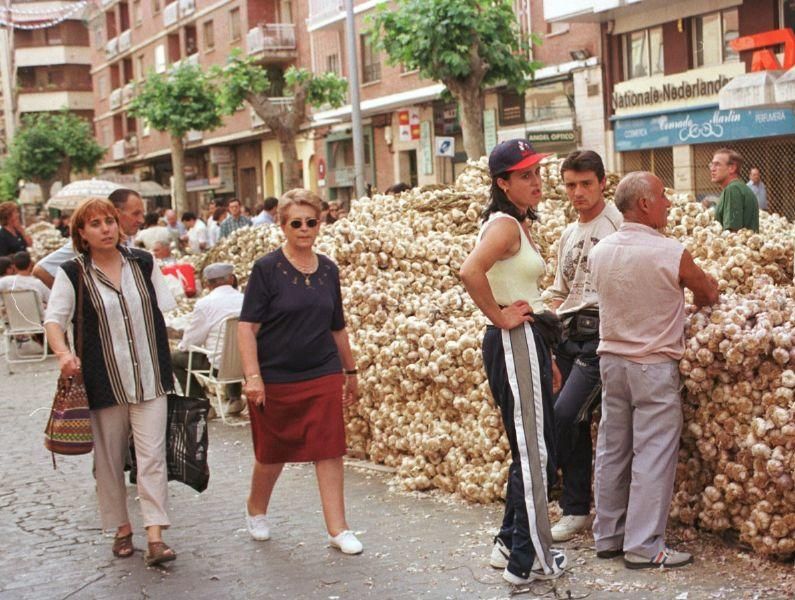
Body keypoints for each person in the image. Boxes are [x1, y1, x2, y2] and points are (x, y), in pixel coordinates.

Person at [588, 171, 719, 569]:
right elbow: (708, 291)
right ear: (644, 203)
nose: (667, 203)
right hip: (653, 367)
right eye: (662, 196)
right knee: (652, 455)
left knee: (612, 450)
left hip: (611, 363)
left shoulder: (601, 250)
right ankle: (644, 546)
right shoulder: (669, 251)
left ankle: (607, 537)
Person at [43, 197, 178, 567]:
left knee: (151, 458)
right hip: (105, 381)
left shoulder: (144, 262)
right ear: (82, 235)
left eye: (109, 221)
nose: (105, 229)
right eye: (95, 224)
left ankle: (155, 535)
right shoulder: (73, 273)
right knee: (110, 459)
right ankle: (121, 528)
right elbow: (54, 320)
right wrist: (63, 353)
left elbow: (162, 312)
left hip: (150, 376)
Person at [459, 139, 567, 586]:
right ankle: (529, 558)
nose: (536, 181)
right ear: (502, 183)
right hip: (513, 339)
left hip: (528, 340)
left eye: (537, 172)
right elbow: (470, 271)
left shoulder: (515, 224)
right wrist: (500, 316)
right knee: (534, 451)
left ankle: (510, 541)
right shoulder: (504, 226)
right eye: (524, 175)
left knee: (530, 445)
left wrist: (547, 357)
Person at [238, 188, 363, 555]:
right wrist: (253, 376)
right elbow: (247, 327)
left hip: (322, 370)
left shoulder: (328, 270)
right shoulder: (266, 269)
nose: (305, 229)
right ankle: (256, 509)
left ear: (320, 224)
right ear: (282, 226)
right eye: (296, 223)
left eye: (312, 222)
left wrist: (350, 371)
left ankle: (338, 529)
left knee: (329, 449)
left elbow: (336, 326)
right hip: (276, 376)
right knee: (272, 453)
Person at [541, 151, 622, 542]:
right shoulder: (567, 235)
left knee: (564, 415)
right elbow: (560, 289)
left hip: (600, 339)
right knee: (567, 420)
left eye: (586, 184)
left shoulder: (618, 226)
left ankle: (577, 508)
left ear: (602, 182)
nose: (578, 192)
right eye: (570, 185)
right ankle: (574, 508)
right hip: (566, 337)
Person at [171, 262, 245, 416]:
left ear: (207, 284)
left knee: (175, 358)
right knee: (235, 349)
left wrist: (182, 345)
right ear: (231, 279)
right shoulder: (246, 299)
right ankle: (235, 398)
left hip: (219, 369)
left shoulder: (205, 304)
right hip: (248, 365)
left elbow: (191, 342)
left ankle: (203, 406)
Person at [33, 189, 146, 288]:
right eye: (136, 214)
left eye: (142, 214)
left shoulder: (128, 241)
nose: (141, 220)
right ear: (117, 213)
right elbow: (41, 270)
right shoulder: (91, 244)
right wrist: (73, 297)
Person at [709, 148, 759, 232]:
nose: (712, 169)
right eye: (711, 164)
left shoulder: (733, 189)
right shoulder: (739, 187)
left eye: (717, 164)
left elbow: (732, 233)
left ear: (732, 168)